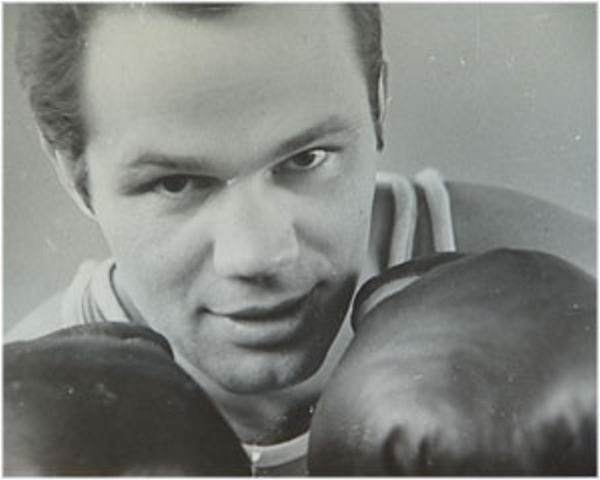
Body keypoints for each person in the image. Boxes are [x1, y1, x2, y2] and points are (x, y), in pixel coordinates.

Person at [6, 4, 595, 475]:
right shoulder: (19, 418)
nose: (259, 254)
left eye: (307, 158)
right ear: (74, 174)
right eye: (175, 183)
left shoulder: (577, 284)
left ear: (378, 103)